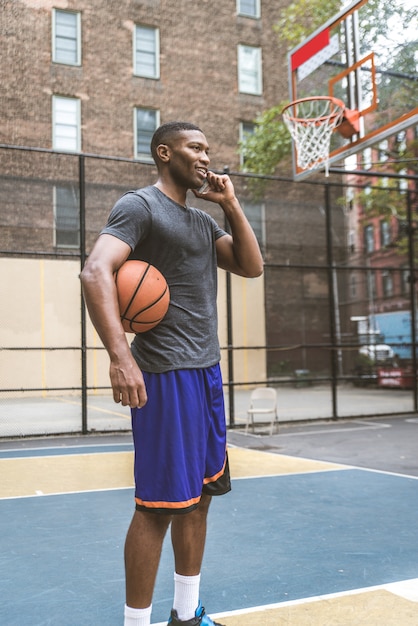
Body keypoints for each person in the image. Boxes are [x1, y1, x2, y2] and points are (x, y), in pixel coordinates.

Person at [80, 121, 263, 626]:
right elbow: (95, 271)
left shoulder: (203, 223)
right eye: (195, 147)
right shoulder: (140, 206)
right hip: (165, 377)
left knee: (201, 497)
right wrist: (122, 358)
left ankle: (186, 615)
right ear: (165, 152)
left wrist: (229, 203)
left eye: (209, 147)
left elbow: (251, 266)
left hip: (206, 374)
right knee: (157, 507)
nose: (206, 156)